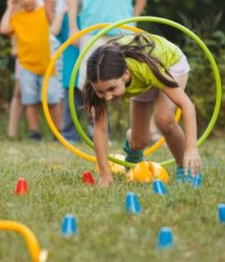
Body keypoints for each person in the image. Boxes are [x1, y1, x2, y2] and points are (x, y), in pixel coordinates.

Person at [83, 33, 201, 187]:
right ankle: (133, 153)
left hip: (169, 64)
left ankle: (184, 169)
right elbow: (100, 130)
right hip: (142, 81)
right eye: (101, 91)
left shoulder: (145, 68)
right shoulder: (98, 81)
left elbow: (187, 105)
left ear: (125, 75)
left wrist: (191, 148)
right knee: (139, 142)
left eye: (112, 89)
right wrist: (105, 175)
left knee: (164, 118)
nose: (107, 97)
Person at [3, 0, 60, 139]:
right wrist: (11, 7)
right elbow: (7, 28)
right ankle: (26, 132)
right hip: (26, 58)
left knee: (52, 97)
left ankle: (57, 131)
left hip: (47, 57)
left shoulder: (44, 2)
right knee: (26, 96)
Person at [50, 0, 84, 143]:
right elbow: (54, 31)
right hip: (71, 68)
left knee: (94, 102)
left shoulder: (86, 16)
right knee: (72, 105)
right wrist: (62, 11)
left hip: (86, 68)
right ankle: (70, 134)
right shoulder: (64, 18)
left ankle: (96, 132)